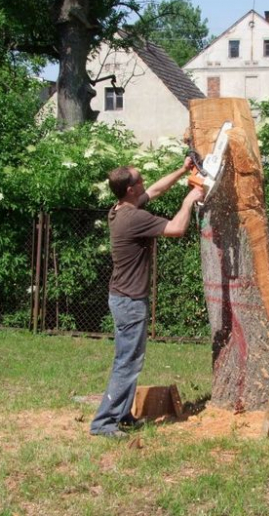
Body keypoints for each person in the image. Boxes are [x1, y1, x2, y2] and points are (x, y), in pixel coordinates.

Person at [90, 158, 204, 438]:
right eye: (138, 181)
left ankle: (123, 415)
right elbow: (176, 229)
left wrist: (183, 169)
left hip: (121, 298)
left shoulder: (118, 210)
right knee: (127, 362)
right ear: (129, 190)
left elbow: (154, 191)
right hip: (129, 302)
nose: (143, 184)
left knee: (129, 359)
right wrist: (190, 200)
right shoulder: (134, 219)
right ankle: (103, 423)